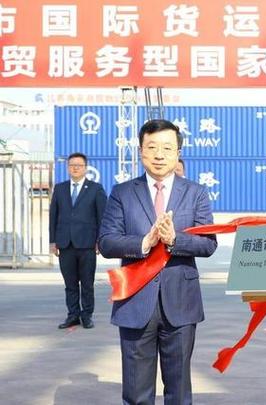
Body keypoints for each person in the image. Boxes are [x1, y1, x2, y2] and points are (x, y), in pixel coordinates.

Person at [98, 119, 217, 404]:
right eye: (152, 147)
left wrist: (175, 240)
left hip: (181, 302)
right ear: (141, 151)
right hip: (135, 302)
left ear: (178, 153)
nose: (159, 155)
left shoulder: (195, 193)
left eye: (167, 148)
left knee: (179, 390)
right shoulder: (122, 193)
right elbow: (107, 242)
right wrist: (144, 242)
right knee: (136, 392)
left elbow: (208, 243)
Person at [49, 152, 107, 329]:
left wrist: (100, 240)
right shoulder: (60, 189)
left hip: (87, 244)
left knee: (87, 283)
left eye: (79, 165)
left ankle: (87, 315)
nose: (75, 168)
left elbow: (102, 217)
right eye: (72, 165)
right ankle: (73, 315)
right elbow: (53, 216)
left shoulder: (96, 189)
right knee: (70, 284)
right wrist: (53, 241)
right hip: (65, 243)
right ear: (68, 168)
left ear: (85, 168)